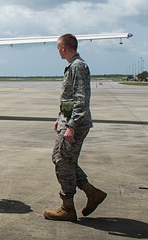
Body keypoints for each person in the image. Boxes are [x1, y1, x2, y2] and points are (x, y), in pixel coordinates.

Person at [44, 34, 107, 221]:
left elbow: (81, 99)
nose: (57, 50)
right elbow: (69, 99)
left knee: (62, 160)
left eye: (58, 47)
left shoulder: (78, 66)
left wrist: (71, 125)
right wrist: (60, 118)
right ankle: (91, 193)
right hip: (68, 119)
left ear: (64, 47)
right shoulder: (73, 66)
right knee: (63, 159)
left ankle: (68, 207)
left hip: (75, 123)